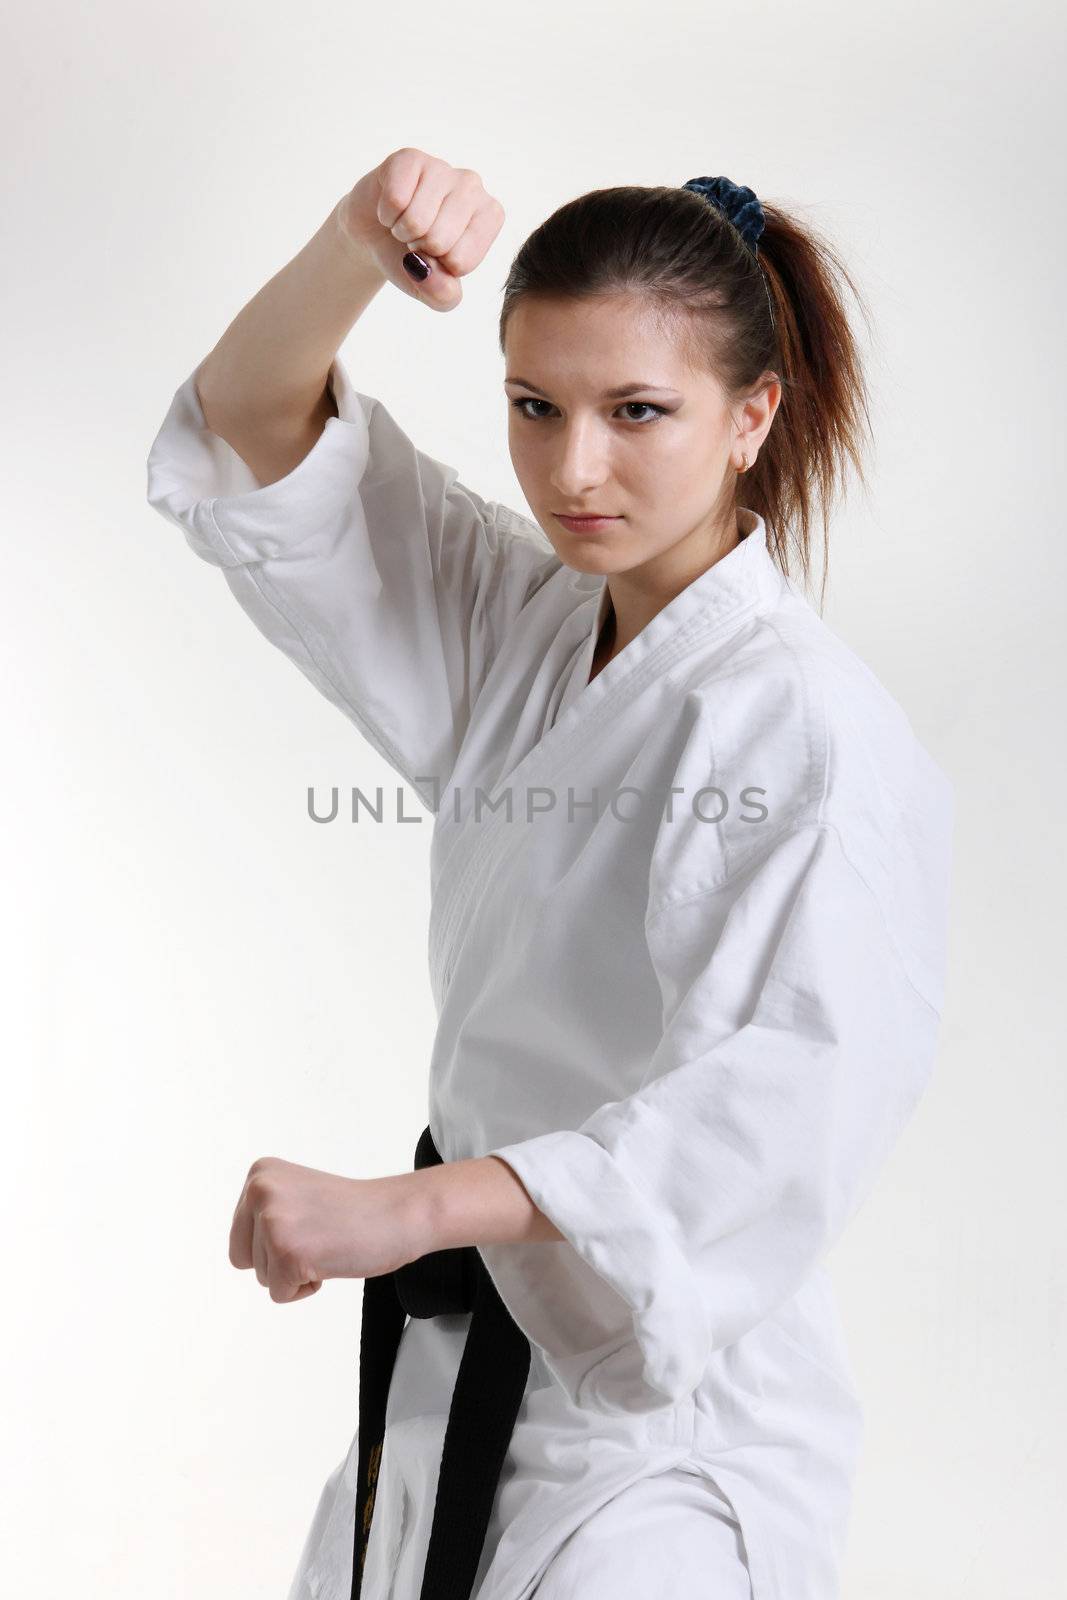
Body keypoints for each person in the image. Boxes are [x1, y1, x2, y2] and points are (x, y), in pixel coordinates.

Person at [144, 148, 955, 1600]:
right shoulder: (526, 621)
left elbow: (777, 1104)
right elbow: (252, 429)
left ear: (751, 415)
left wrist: (417, 1210)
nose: (575, 468)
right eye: (535, 406)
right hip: (451, 1383)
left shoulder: (807, 729)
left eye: (639, 411)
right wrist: (352, 241)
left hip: (663, 1431)